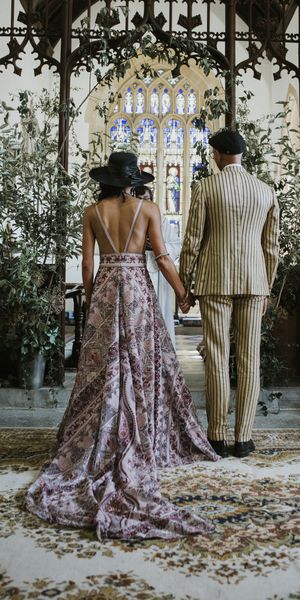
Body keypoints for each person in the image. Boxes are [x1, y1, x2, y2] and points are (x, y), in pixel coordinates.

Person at [26, 151, 218, 542]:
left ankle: (102, 431)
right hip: (135, 289)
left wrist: (95, 297)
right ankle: (141, 429)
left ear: (107, 180)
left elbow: (85, 265)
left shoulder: (92, 211)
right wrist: (183, 294)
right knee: (140, 359)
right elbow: (162, 257)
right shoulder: (148, 208)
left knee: (104, 364)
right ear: (133, 180)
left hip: (107, 286)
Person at [179, 129, 279, 458]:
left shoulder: (206, 187)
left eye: (213, 154)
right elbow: (271, 248)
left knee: (218, 357)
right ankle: (245, 438)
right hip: (254, 283)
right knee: (250, 360)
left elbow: (192, 241)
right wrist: (266, 286)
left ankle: (218, 436)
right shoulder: (265, 192)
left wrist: (185, 283)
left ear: (220, 155)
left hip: (214, 280)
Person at [135, 185, 181, 347]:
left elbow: (176, 245)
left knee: (160, 316)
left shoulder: (160, 219)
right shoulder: (129, 219)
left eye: (146, 200)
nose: (143, 204)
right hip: (137, 271)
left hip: (158, 273)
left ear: (152, 201)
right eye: (139, 200)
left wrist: (158, 246)